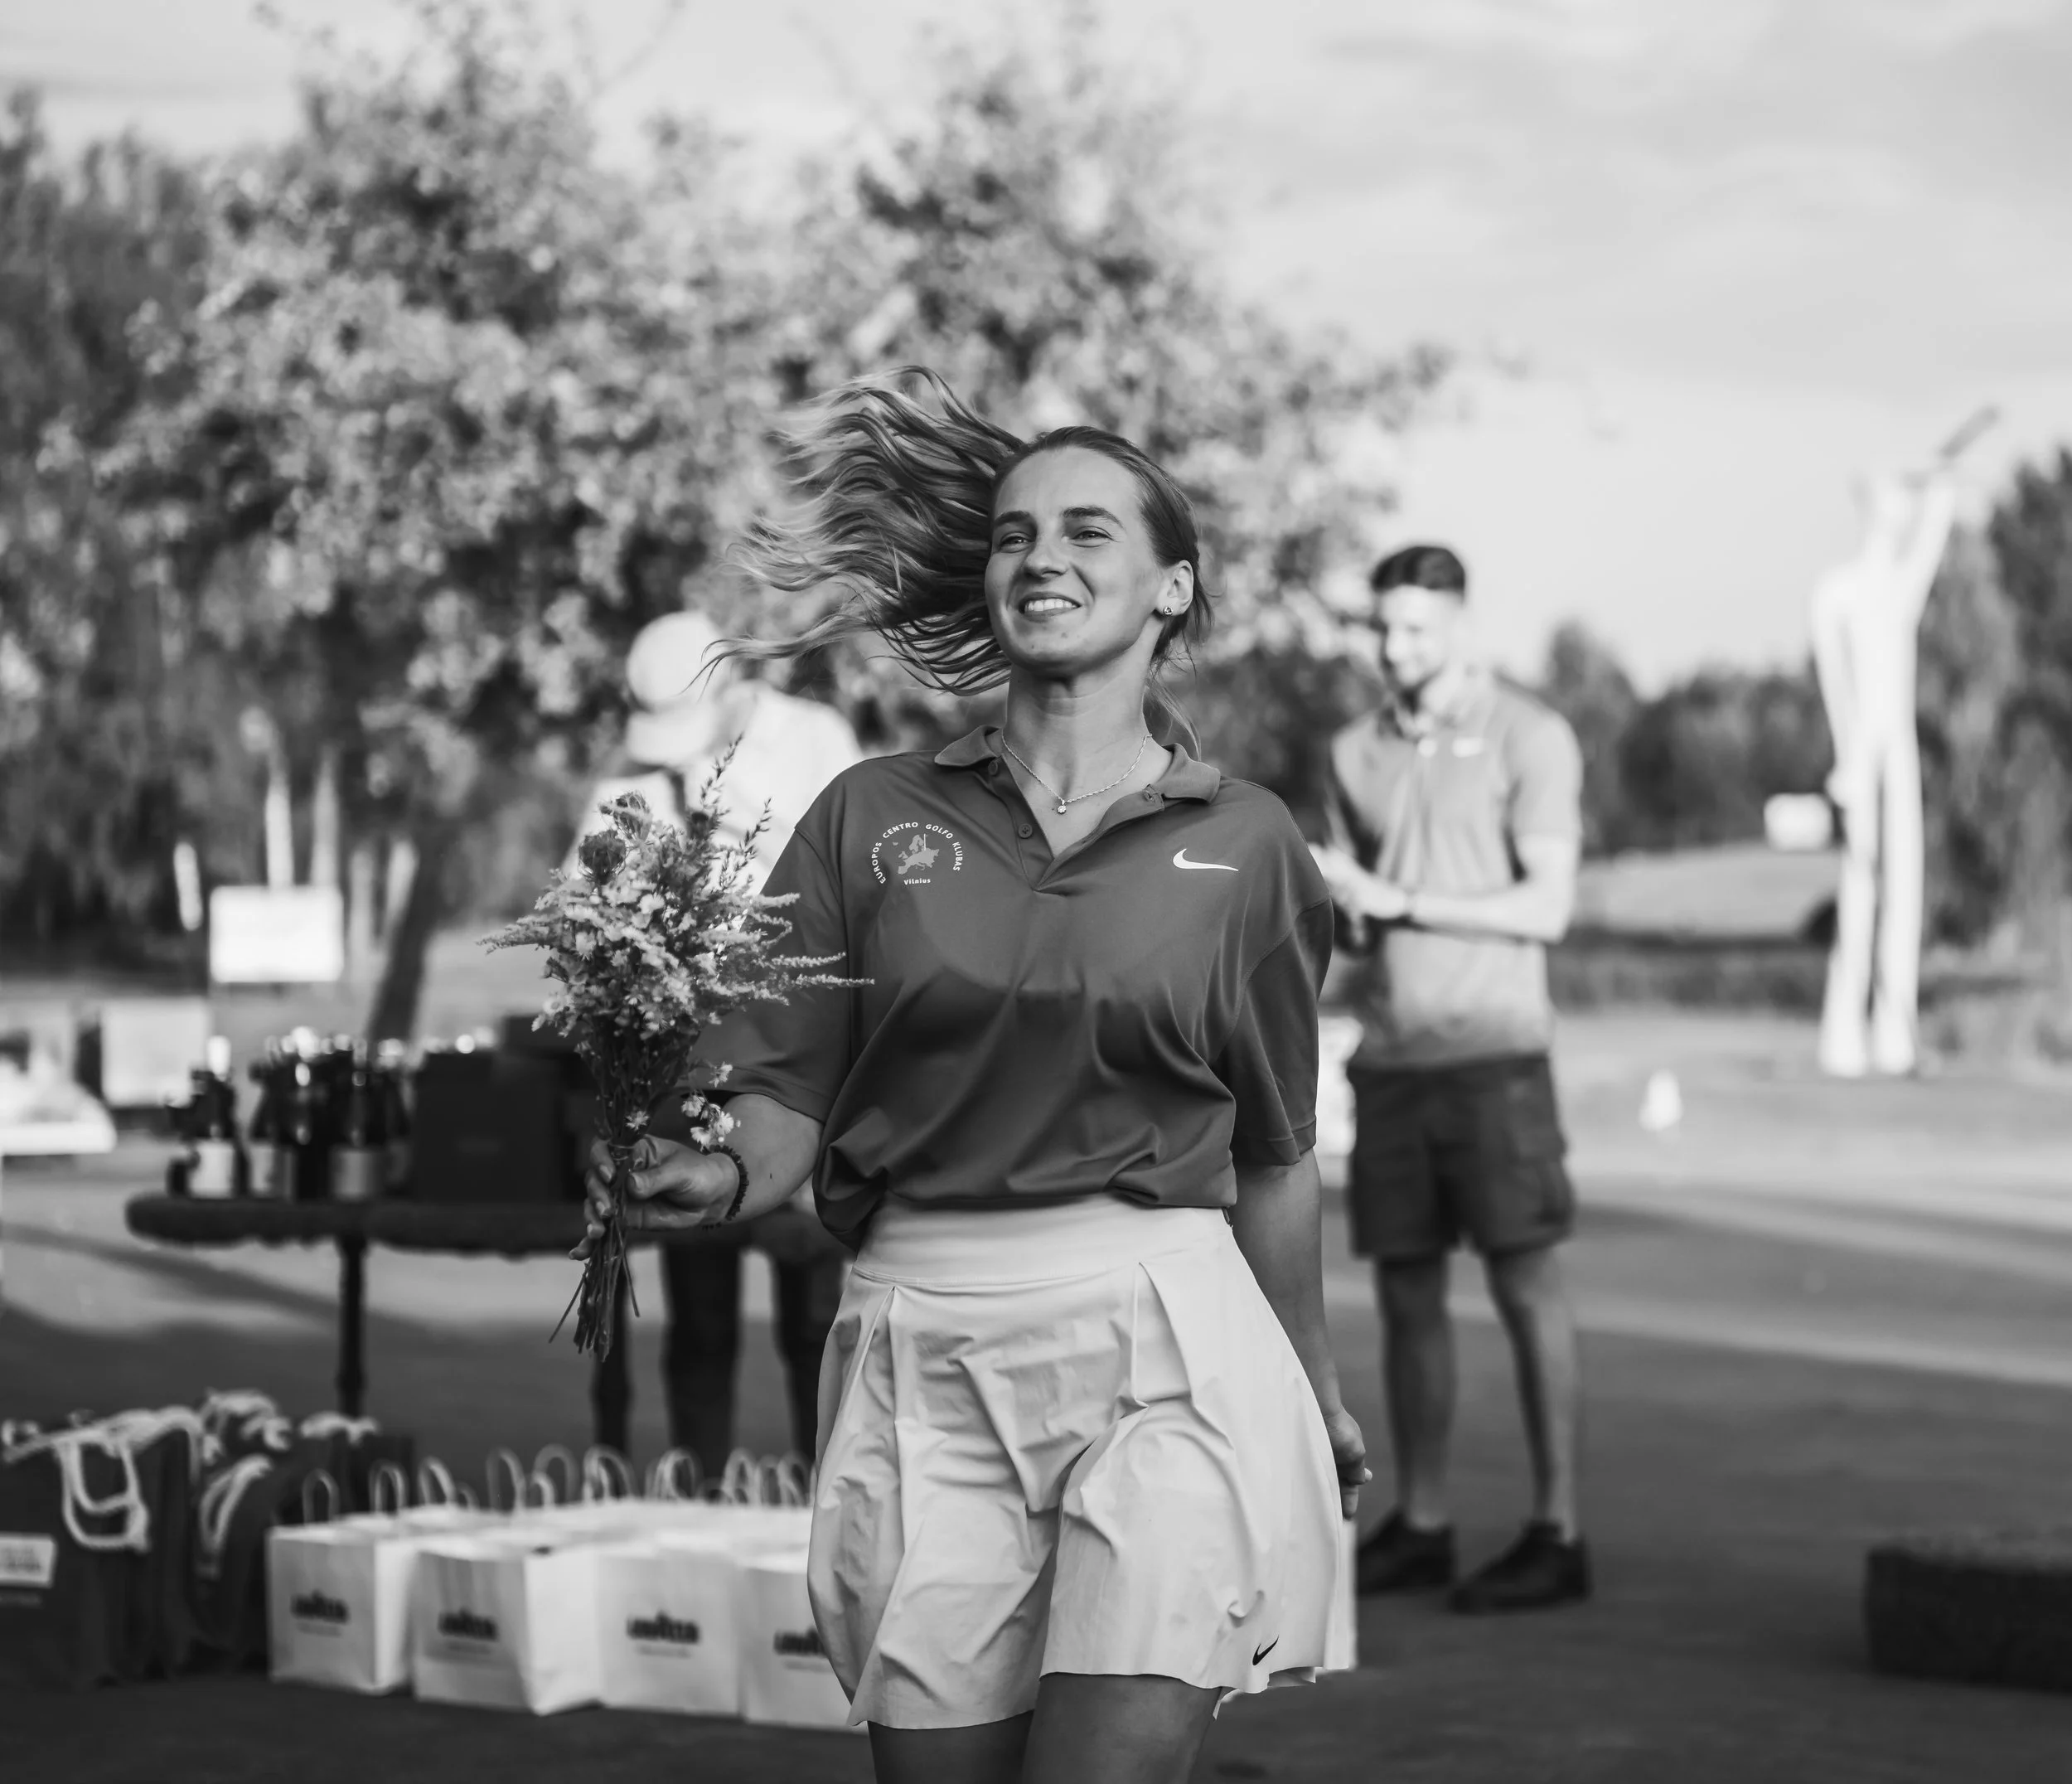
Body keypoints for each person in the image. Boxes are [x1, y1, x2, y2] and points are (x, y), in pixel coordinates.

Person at [579, 371, 1366, 1783]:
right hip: (917, 1343)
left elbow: (1276, 1150)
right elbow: (785, 1087)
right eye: (1012, 534)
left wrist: (1309, 1377)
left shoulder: (1248, 844)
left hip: (1160, 1343)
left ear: (1172, 588)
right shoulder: (869, 815)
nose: (1039, 558)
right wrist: (721, 1166)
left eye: (1084, 533)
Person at [1309, 542, 1590, 1615]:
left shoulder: (1533, 733)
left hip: (1499, 1057)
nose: (1395, 647)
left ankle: (1558, 1530)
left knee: (1527, 1290)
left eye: (1418, 629)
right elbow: (1363, 919)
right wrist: (1342, 907)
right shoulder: (1353, 749)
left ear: (1463, 625)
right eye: (1382, 627)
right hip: (1393, 1062)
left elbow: (1547, 907)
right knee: (1408, 1298)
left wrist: (1400, 895)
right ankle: (1422, 1523)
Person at [578, 609, 862, 1478]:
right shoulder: (636, 777)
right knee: (697, 1319)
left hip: (810, 1080)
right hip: (687, 1080)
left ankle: (824, 1512)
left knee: (816, 1321)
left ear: (739, 683)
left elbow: (860, 897)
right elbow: (585, 915)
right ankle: (696, 1505)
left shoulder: (818, 743)